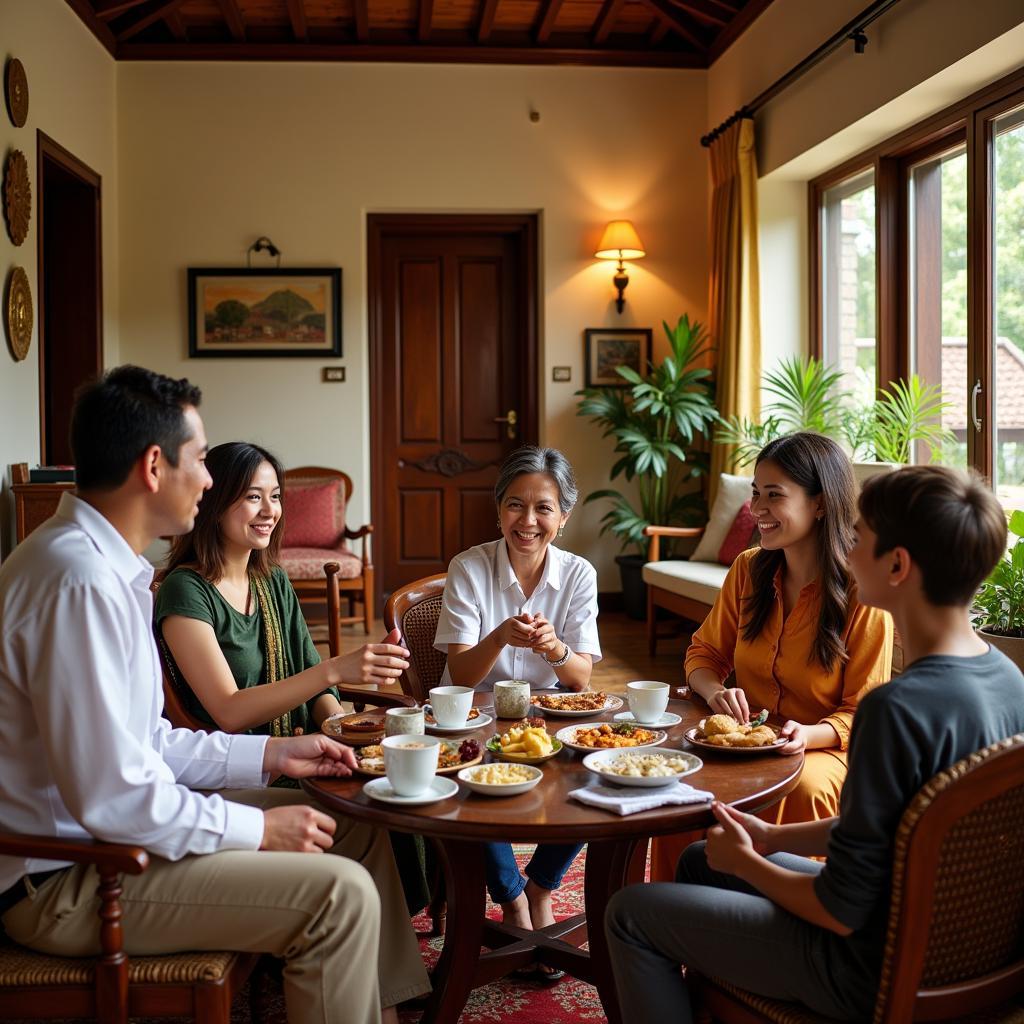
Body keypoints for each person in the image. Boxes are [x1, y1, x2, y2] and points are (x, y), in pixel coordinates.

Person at [0, 366, 429, 1024]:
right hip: (67, 877)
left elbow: (148, 744)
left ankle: (384, 1008)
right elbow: (114, 797)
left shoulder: (107, 570)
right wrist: (257, 827)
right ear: (153, 465)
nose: (207, 477)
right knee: (337, 895)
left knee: (358, 830)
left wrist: (276, 757)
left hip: (109, 840)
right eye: (200, 460)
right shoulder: (77, 583)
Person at [605, 464, 1024, 1022]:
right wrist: (771, 836)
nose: (847, 551)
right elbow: (899, 825)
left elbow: (838, 909)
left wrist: (753, 865)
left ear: (897, 566)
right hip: (967, 947)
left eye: (861, 539)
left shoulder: (893, 712)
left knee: (630, 911)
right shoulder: (1010, 681)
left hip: (870, 965)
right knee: (704, 862)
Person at [154, 440, 431, 914]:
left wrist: (346, 733)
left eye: (276, 496)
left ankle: (390, 930)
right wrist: (336, 669)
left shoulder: (271, 580)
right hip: (238, 766)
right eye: (253, 497)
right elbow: (228, 710)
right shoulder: (186, 591)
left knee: (401, 787)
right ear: (215, 502)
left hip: (303, 749)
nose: (270, 511)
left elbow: (315, 683)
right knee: (374, 808)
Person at [652, 432, 892, 879]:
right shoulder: (748, 570)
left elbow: (864, 713)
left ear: (820, 504)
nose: (756, 510)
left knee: (802, 789)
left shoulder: (864, 592)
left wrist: (806, 734)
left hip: (823, 751)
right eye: (755, 494)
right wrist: (713, 690)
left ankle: (777, 923)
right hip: (746, 743)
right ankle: (676, 917)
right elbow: (703, 652)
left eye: (774, 496)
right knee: (676, 778)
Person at [434, 445, 601, 965]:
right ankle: (509, 897)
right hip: (473, 719)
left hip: (550, 721)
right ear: (498, 509)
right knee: (464, 778)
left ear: (564, 517)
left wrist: (554, 647)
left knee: (597, 773)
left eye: (543, 508)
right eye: (515, 505)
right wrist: (502, 635)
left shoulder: (578, 574)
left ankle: (542, 888)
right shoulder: (469, 567)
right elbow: (461, 673)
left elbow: (581, 678)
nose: (527, 521)